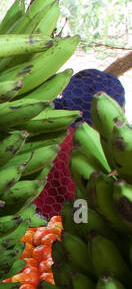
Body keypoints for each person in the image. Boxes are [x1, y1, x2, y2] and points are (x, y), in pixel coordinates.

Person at [35, 69, 126, 219]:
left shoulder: (56, 126)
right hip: (54, 228)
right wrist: (86, 230)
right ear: (102, 114)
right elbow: (80, 201)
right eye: (120, 109)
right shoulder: (79, 146)